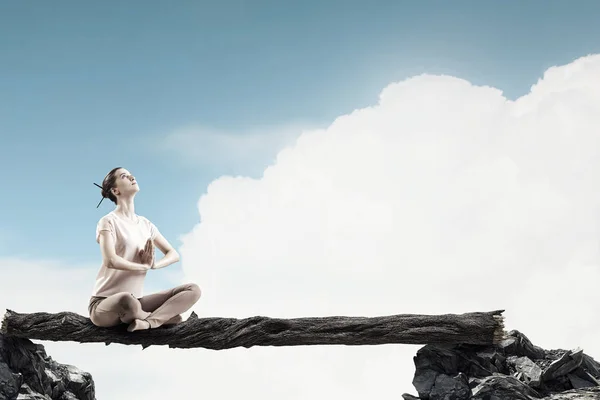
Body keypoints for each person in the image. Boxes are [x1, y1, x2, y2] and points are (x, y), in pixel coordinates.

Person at [88, 167, 201, 332]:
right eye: (124, 176)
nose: (132, 176)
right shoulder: (108, 222)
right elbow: (110, 260)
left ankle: (149, 322)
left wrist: (154, 265)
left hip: (137, 302)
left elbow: (173, 254)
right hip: (104, 304)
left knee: (193, 290)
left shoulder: (145, 224)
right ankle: (163, 317)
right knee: (127, 300)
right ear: (115, 190)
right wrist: (142, 267)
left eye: (131, 174)